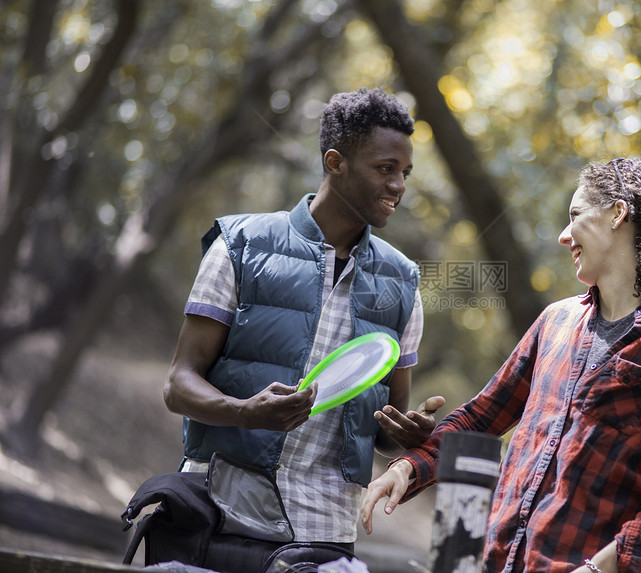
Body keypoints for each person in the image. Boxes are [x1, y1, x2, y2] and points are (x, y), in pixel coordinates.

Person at [362, 156, 641, 573]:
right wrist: (408, 468)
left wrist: (604, 567)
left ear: (617, 214)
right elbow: (481, 417)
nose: (564, 236)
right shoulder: (555, 321)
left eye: (575, 216)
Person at [163, 87, 444, 557]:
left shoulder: (403, 282)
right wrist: (243, 412)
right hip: (216, 512)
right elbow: (178, 384)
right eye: (385, 168)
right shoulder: (241, 245)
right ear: (335, 163)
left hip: (325, 532)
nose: (399, 185)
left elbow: (382, 431)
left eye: (405, 173)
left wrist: (406, 435)